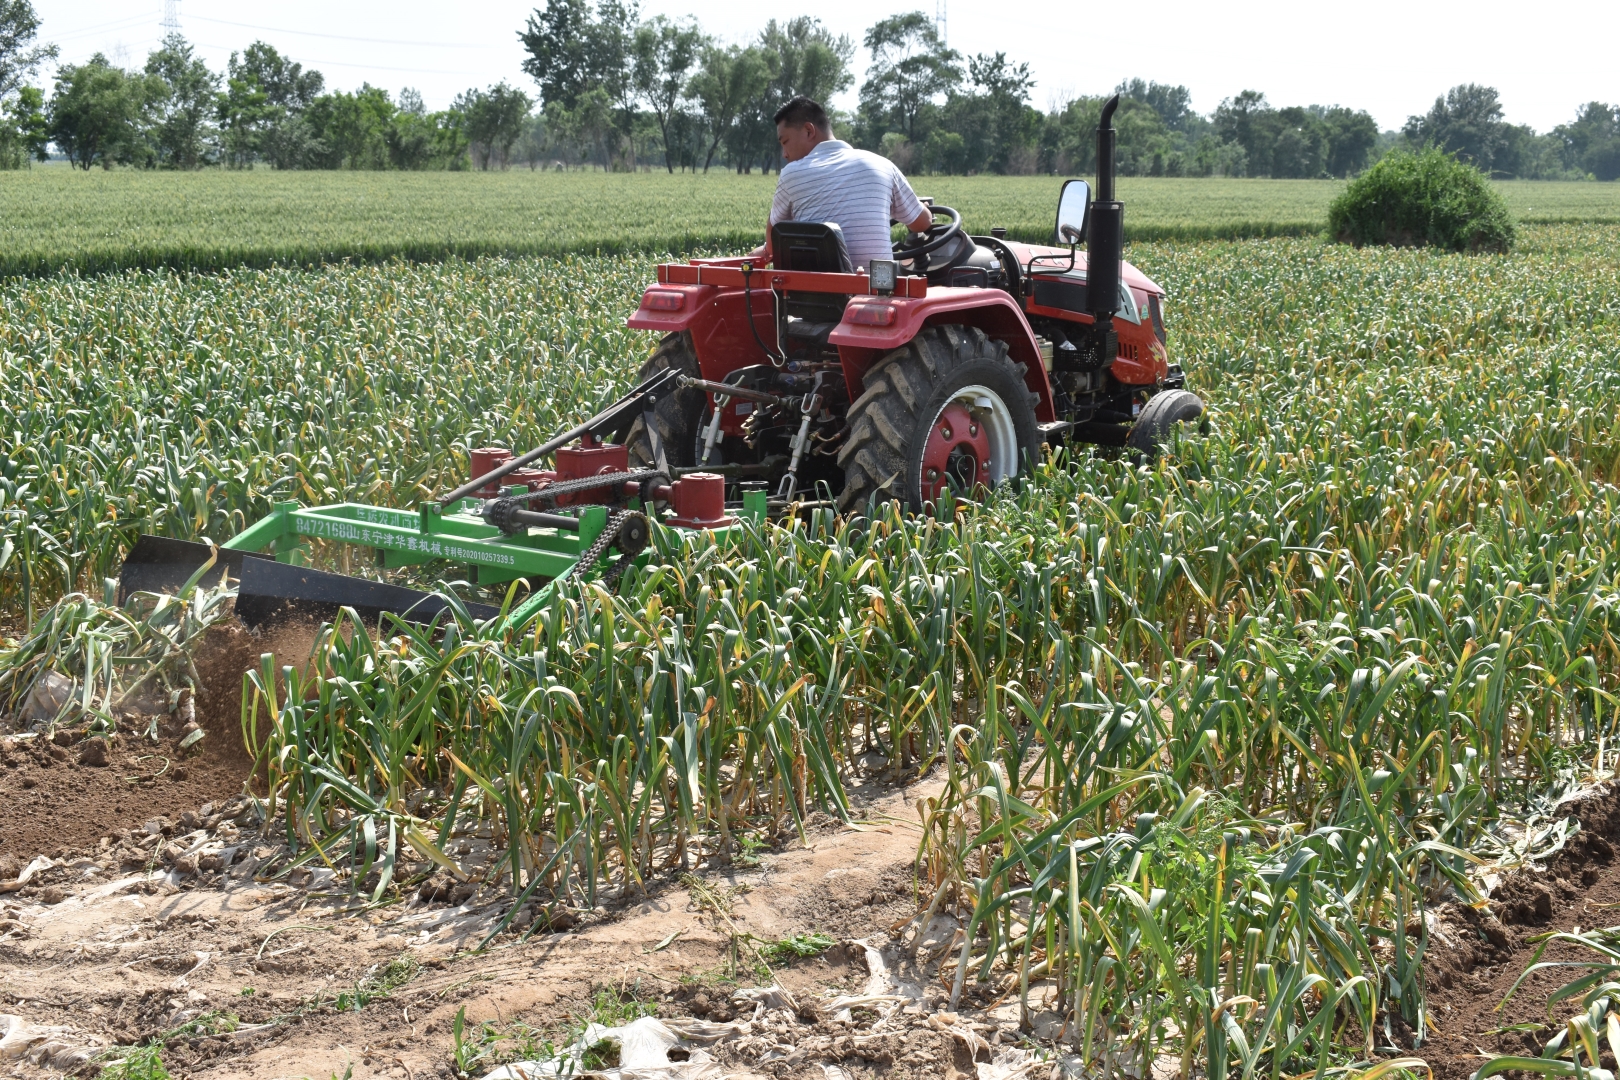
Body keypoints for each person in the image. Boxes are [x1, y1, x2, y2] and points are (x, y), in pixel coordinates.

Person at [750, 96, 933, 272]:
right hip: (877, 295)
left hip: (816, 296)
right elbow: (922, 223)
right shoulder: (882, 165)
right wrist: (923, 208)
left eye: (785, 142)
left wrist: (766, 251)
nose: (784, 154)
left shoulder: (792, 174)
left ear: (809, 131)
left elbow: (774, 240)